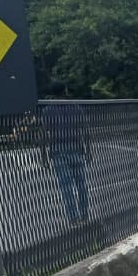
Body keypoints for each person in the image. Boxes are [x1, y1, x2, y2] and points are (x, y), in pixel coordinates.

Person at [40, 80, 91, 224]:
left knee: (66, 186)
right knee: (81, 183)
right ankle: (85, 214)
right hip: (75, 147)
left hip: (57, 150)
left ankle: (73, 218)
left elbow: (43, 134)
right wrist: (88, 150)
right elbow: (85, 130)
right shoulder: (75, 107)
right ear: (66, 90)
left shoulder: (47, 111)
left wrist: (44, 155)